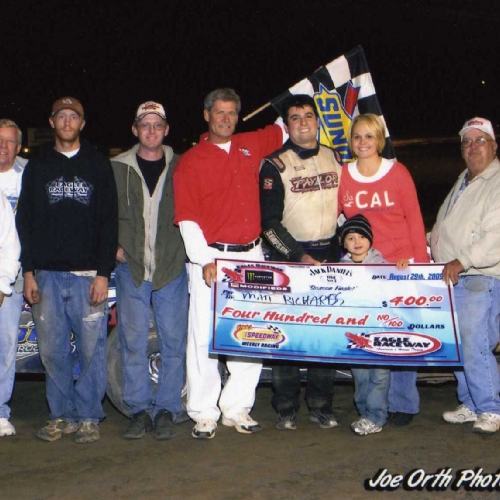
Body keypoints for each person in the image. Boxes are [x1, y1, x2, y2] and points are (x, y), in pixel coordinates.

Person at [174, 88, 283, 439]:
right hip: (211, 258)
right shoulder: (191, 160)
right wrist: (204, 259)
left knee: (250, 333)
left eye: (232, 113)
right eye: (219, 113)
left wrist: (304, 94)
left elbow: (285, 127)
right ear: (207, 115)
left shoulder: (251, 145)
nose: (225, 119)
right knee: (205, 336)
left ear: (239, 115)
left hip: (251, 254)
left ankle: (237, 407)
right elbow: (187, 219)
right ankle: (203, 411)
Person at [16, 97, 118, 443]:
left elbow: (108, 223)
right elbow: (25, 221)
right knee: (51, 350)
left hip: (88, 275)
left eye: (73, 115)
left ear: (82, 123)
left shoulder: (98, 163)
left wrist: (103, 273)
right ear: (52, 121)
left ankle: (89, 415)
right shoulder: (39, 164)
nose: (67, 121)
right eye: (61, 115)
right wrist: (29, 271)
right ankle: (60, 415)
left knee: (92, 349)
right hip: (45, 274)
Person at [338, 113, 429, 427]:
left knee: (401, 336)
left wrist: (422, 269)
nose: (363, 142)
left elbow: (415, 219)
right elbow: (335, 221)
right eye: (357, 136)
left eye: (369, 136)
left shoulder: (397, 171)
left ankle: (402, 403)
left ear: (379, 140)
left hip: (400, 266)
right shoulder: (344, 175)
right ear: (351, 141)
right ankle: (370, 404)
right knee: (367, 337)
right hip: (363, 272)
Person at [259, 94, 341, 430]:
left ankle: (321, 405)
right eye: (296, 117)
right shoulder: (274, 164)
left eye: (309, 116)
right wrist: (298, 256)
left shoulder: (335, 157)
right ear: (287, 124)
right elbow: (268, 224)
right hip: (291, 259)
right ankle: (286, 408)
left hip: (330, 257)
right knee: (288, 338)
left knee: (324, 339)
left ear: (317, 121)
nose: (304, 122)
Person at [111, 102, 188, 440]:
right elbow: (103, 214)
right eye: (145, 125)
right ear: (135, 129)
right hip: (132, 268)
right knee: (133, 343)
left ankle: (168, 409)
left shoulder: (184, 166)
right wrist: (112, 249)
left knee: (173, 343)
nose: (152, 130)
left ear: (166, 129)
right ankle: (139, 410)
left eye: (158, 124)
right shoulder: (116, 167)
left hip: (171, 267)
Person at [430, 117, 500, 434]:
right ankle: (471, 404)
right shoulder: (466, 178)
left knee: (475, 344)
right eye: (467, 142)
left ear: (494, 145)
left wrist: (462, 260)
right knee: (461, 344)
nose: (473, 146)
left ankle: (490, 409)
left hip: (480, 276)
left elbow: (495, 237)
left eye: (480, 140)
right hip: (458, 277)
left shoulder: (495, 182)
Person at [339, 214, 408, 435]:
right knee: (360, 375)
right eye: (350, 237)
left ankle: (376, 416)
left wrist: (403, 270)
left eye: (361, 236)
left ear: (370, 239)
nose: (357, 242)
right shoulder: (337, 270)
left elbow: (400, 289)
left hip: (380, 330)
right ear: (343, 242)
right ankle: (365, 412)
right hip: (354, 332)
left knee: (379, 375)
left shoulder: (385, 266)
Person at [0, 119, 26, 437]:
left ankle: (0, 410)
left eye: (9, 141)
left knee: (6, 344)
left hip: (13, 274)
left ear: (18, 146)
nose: (3, 145)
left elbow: (12, 240)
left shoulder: (29, 176)